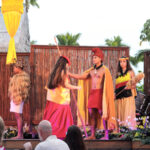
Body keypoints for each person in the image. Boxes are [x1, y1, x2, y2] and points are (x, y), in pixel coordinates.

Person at [68, 48, 116, 140]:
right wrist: (70, 74)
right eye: (93, 57)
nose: (93, 59)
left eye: (95, 57)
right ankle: (93, 135)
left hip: (100, 94)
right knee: (91, 114)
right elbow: (81, 77)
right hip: (92, 94)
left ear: (100, 58)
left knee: (103, 113)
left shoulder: (104, 70)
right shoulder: (90, 70)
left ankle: (106, 135)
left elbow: (108, 84)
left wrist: (109, 95)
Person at [43, 56, 81, 139]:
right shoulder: (63, 72)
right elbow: (66, 85)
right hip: (61, 101)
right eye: (67, 65)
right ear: (65, 64)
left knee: (52, 119)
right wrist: (77, 87)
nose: (68, 67)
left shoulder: (54, 72)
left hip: (53, 100)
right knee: (60, 122)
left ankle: (49, 135)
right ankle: (60, 135)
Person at [8, 59, 30, 139]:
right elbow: (15, 85)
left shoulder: (23, 77)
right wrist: (12, 81)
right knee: (18, 116)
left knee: (18, 116)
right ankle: (20, 134)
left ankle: (20, 135)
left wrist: (19, 98)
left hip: (18, 98)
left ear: (18, 67)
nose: (13, 69)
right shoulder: (17, 76)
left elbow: (22, 88)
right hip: (15, 97)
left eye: (14, 67)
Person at [115, 56, 137, 130]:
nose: (122, 63)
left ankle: (128, 130)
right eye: (121, 62)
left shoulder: (130, 72)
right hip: (119, 97)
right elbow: (117, 86)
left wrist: (129, 87)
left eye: (124, 61)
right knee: (119, 114)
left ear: (127, 63)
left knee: (127, 113)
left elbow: (134, 85)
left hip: (128, 96)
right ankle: (119, 129)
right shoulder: (118, 73)